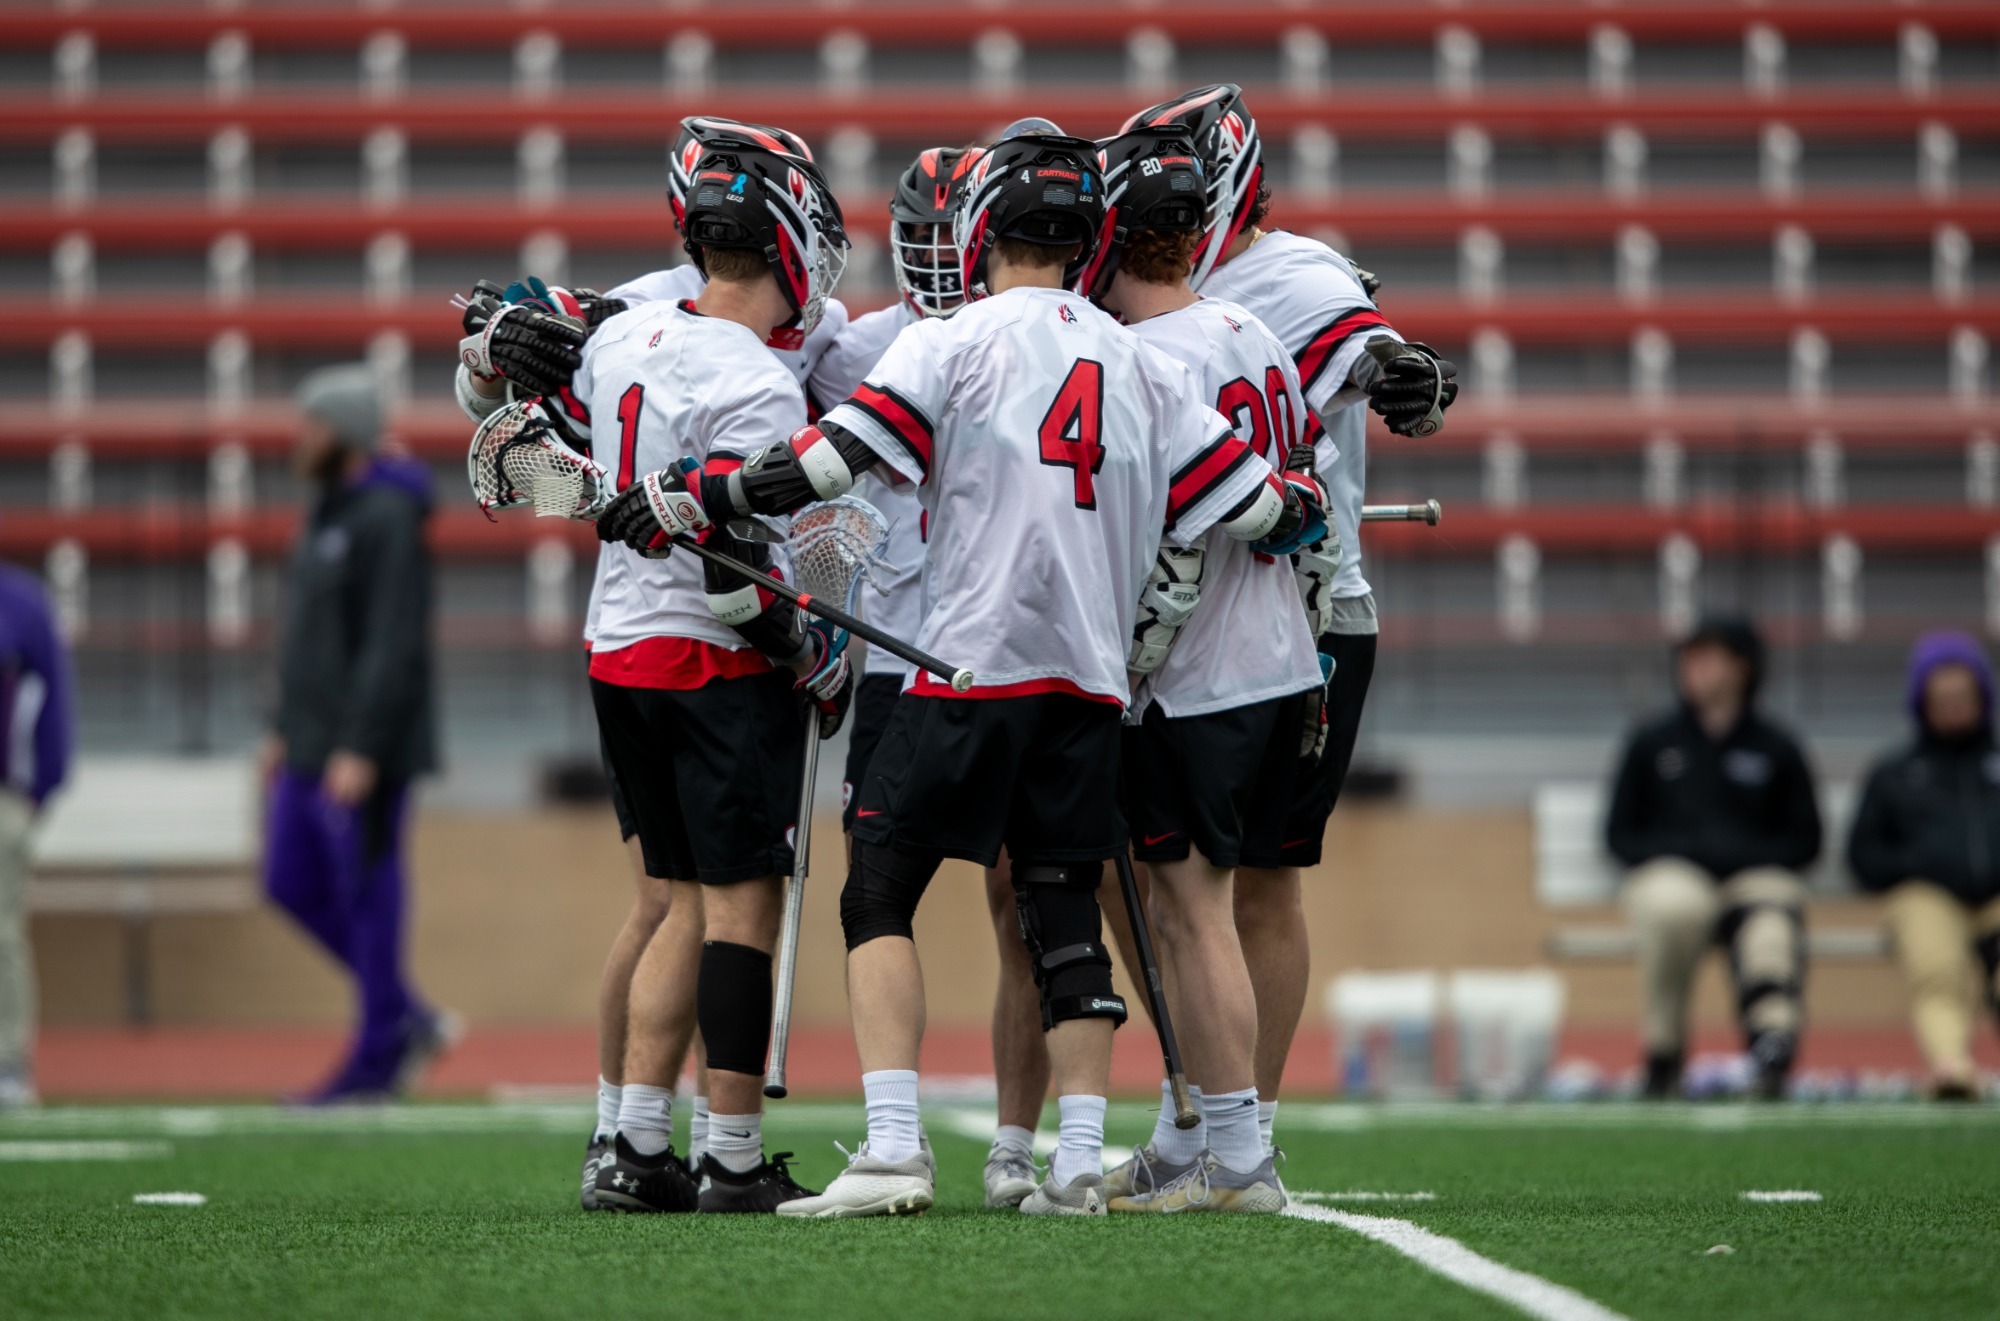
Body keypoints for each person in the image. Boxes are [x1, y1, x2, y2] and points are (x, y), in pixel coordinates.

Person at [594, 130, 1324, 1217]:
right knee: (1060, 908)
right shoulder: (1139, 357)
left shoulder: (949, 340)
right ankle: (1076, 1161)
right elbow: (1262, 508)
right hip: (1088, 686)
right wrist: (1305, 503)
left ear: (983, 229)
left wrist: (698, 493)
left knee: (877, 890)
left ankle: (893, 1146)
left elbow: (819, 465)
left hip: (965, 665)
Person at [454, 115, 855, 1207]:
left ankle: (632, 1143)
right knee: (737, 909)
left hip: (618, 646)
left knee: (670, 900)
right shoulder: (758, 381)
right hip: (715, 659)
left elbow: (511, 465)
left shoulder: (627, 331)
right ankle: (728, 1153)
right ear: (787, 240)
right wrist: (811, 647)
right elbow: (741, 554)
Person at [1128, 83, 1458, 1157]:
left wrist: (1397, 377)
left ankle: (1238, 1127)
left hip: (1296, 611)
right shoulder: (1175, 282)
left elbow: (1368, 348)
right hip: (1183, 617)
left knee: (1252, 882)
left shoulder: (1293, 273)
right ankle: (1202, 1108)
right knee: (1154, 874)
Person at [1083, 126, 1326, 1213]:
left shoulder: (1143, 356)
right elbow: (1301, 494)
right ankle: (1203, 1143)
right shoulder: (1251, 332)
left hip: (1194, 674)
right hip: (1277, 658)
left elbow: (1168, 531)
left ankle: (1236, 1157)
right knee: (1202, 909)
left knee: (1190, 914)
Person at [265, 363, 455, 1104]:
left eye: (312, 425)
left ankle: (377, 1055)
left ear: (342, 431)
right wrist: (280, 726)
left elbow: (391, 641)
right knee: (288, 879)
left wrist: (362, 744)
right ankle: (406, 1015)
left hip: (361, 749)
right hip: (308, 741)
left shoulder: (385, 516)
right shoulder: (329, 510)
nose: (300, 439)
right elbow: (307, 636)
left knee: (369, 893)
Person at [1605, 614, 1821, 1100]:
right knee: (1673, 906)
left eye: (1708, 657)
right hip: (1677, 877)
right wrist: (1684, 855)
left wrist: (1741, 857)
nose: (1693, 668)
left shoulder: (1777, 747)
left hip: (1755, 880)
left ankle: (1771, 1051)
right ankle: (1664, 1052)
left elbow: (1805, 839)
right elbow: (1619, 835)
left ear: (1742, 668)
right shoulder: (1653, 742)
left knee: (1771, 922)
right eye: (1689, 657)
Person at [1848, 631, 2000, 1100]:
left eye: (1963, 696)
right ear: (1921, 702)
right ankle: (1950, 1065)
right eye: (1942, 698)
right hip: (1928, 895)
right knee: (1938, 970)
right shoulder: (1895, 772)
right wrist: (1916, 865)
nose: (1954, 707)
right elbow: (1863, 856)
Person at [0, 560, 73, 1108]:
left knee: (0, 932)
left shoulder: (20, 602)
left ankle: (7, 1065)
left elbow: (54, 699)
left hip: (3, 796)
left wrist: (38, 791)